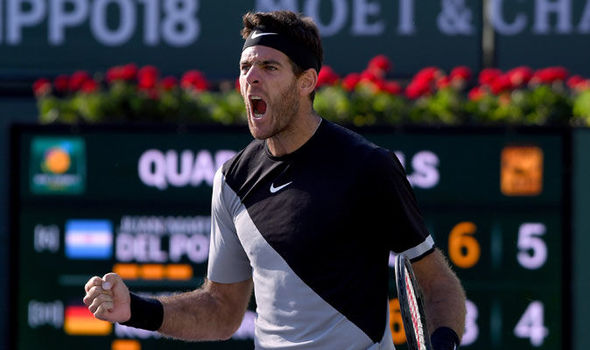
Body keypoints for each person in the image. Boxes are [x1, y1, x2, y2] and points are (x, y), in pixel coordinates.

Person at [84, 10, 466, 350]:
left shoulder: (369, 167)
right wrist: (136, 309)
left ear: (306, 82)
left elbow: (437, 283)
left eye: (269, 67)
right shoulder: (232, 180)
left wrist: (444, 341)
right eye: (245, 67)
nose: (251, 78)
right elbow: (221, 310)